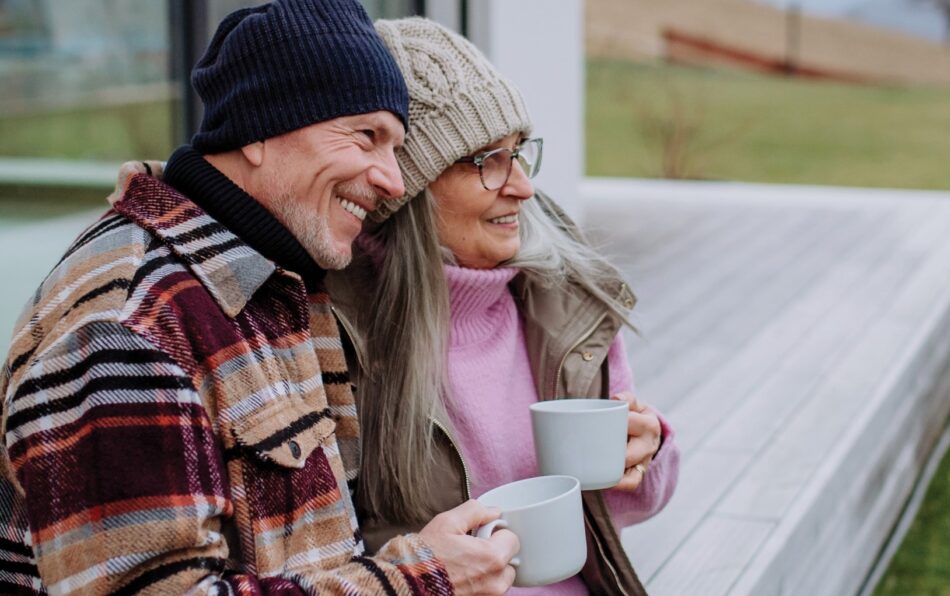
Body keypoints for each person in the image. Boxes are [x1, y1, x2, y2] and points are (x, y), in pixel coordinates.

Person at [0, 2, 518, 594]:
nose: (394, 180)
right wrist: (419, 581)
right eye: (366, 136)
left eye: (395, 147)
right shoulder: (127, 329)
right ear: (258, 130)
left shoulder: (275, 281)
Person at [326, 18, 682, 595]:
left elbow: (626, 509)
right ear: (407, 189)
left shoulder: (563, 301)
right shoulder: (336, 336)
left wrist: (647, 451)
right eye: (488, 161)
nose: (523, 186)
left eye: (519, 154)